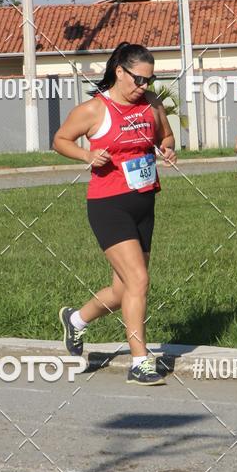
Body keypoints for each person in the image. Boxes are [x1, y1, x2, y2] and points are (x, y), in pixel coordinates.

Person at [53, 41, 177, 386]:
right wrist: (86, 156)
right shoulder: (94, 110)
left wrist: (167, 149)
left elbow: (166, 136)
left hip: (144, 202)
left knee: (125, 289)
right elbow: (61, 139)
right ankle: (140, 361)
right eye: (138, 79)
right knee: (139, 281)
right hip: (109, 205)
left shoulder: (151, 104)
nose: (144, 86)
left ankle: (76, 320)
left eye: (149, 80)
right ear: (120, 72)